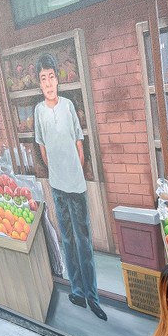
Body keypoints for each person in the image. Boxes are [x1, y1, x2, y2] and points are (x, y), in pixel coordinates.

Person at [34, 53, 107, 321]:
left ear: (57, 79)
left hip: (76, 186)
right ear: (39, 85)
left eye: (51, 76)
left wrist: (74, 170)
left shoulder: (68, 105)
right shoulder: (38, 111)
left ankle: (93, 296)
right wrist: (57, 172)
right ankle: (77, 290)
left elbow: (79, 142)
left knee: (83, 241)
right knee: (67, 239)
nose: (48, 82)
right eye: (43, 79)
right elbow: (42, 148)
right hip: (57, 186)